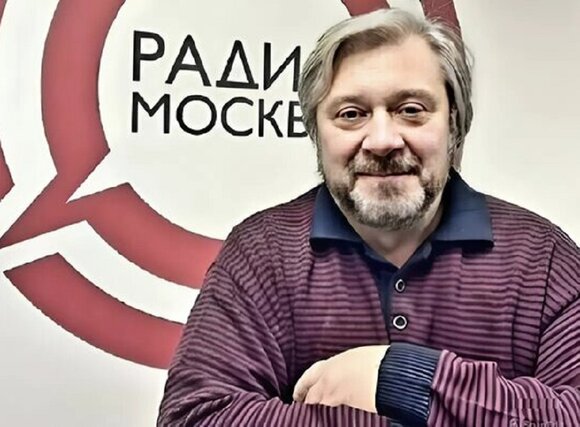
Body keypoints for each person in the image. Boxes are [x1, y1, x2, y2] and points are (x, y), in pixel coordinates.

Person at [157, 8, 580, 427]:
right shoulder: (262, 251)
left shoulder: (542, 258)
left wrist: (402, 376)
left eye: (410, 109)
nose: (382, 140)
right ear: (316, 133)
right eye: (351, 114)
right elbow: (195, 418)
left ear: (453, 124)